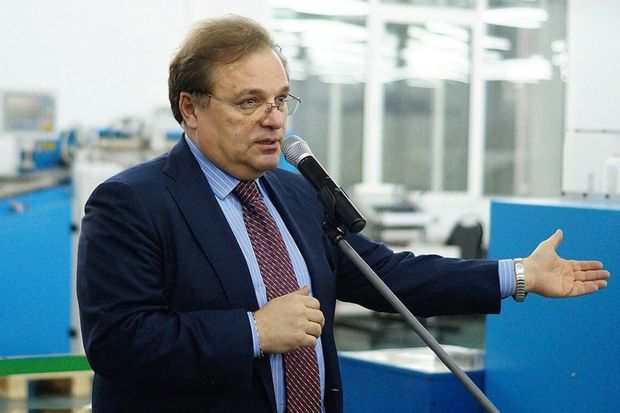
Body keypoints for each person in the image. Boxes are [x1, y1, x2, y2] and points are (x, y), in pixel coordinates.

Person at [76, 15, 610, 413]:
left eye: (281, 100)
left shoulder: (295, 193)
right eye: (249, 102)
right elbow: (117, 342)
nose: (274, 120)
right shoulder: (132, 203)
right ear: (190, 108)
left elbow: (387, 276)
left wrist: (519, 275)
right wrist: (254, 331)